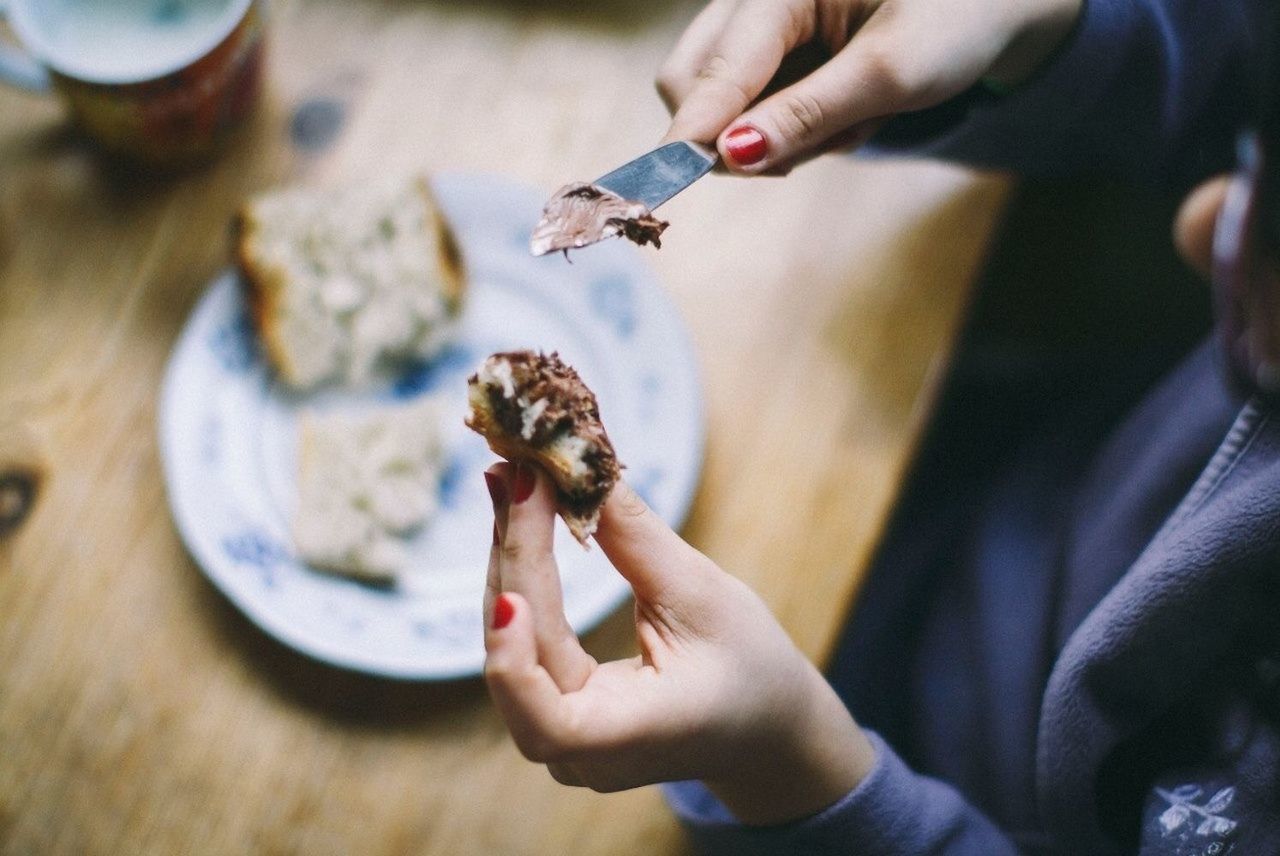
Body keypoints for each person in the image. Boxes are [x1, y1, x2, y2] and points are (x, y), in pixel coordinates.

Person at [481, 0, 1280, 852]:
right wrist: (1053, 30)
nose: (1202, 231)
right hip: (993, 462)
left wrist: (792, 772)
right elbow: (1232, 59)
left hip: (908, 770)